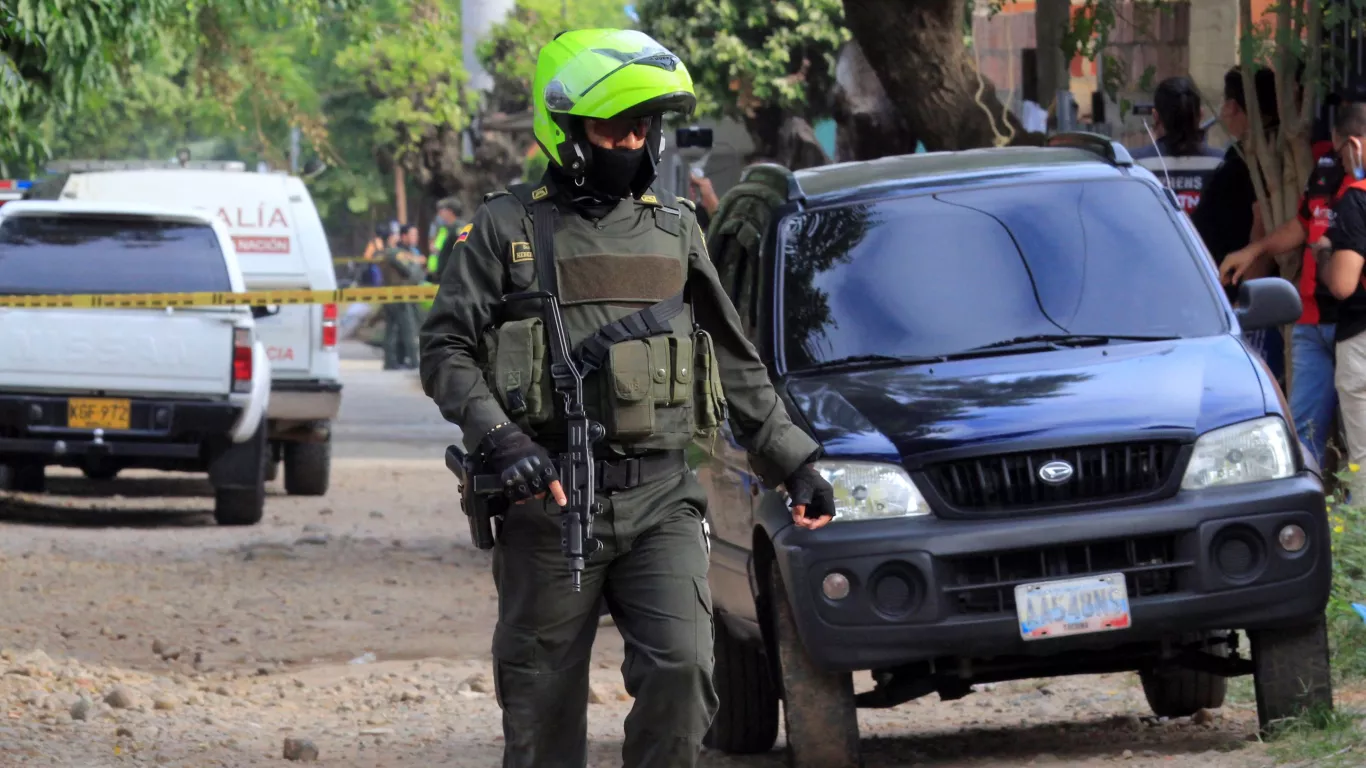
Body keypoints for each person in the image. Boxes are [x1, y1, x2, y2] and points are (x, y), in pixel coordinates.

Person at [418, 28, 835, 768]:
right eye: (615, 127)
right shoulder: (505, 229)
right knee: (543, 716)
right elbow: (444, 348)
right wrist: (500, 438)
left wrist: (794, 460)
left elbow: (735, 359)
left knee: (683, 668)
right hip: (547, 505)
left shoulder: (676, 228)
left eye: (643, 128)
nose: (632, 143)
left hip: (661, 499)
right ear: (567, 130)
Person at [1218, 112, 1346, 467]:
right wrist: (1254, 250)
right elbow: (1302, 225)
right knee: (1303, 437)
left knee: (1359, 436)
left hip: (1355, 325)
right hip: (1311, 321)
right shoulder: (1326, 171)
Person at [1191, 65, 1286, 385]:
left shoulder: (1258, 163)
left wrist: (1246, 300)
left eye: (1226, 103)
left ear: (1232, 106)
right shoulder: (1244, 157)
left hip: (1245, 304)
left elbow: (1260, 227)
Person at [1315, 98, 1366, 496]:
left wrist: (1324, 252)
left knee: (1364, 466)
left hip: (1361, 336)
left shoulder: (1356, 200)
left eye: (1343, 158)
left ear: (1354, 145)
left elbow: (1343, 285)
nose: (1343, 167)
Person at [379, 227, 424, 370]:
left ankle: (390, 361)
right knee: (408, 329)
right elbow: (408, 271)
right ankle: (414, 361)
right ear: (391, 238)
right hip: (400, 296)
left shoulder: (386, 252)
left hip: (389, 296)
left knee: (391, 330)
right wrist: (417, 263)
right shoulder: (394, 253)